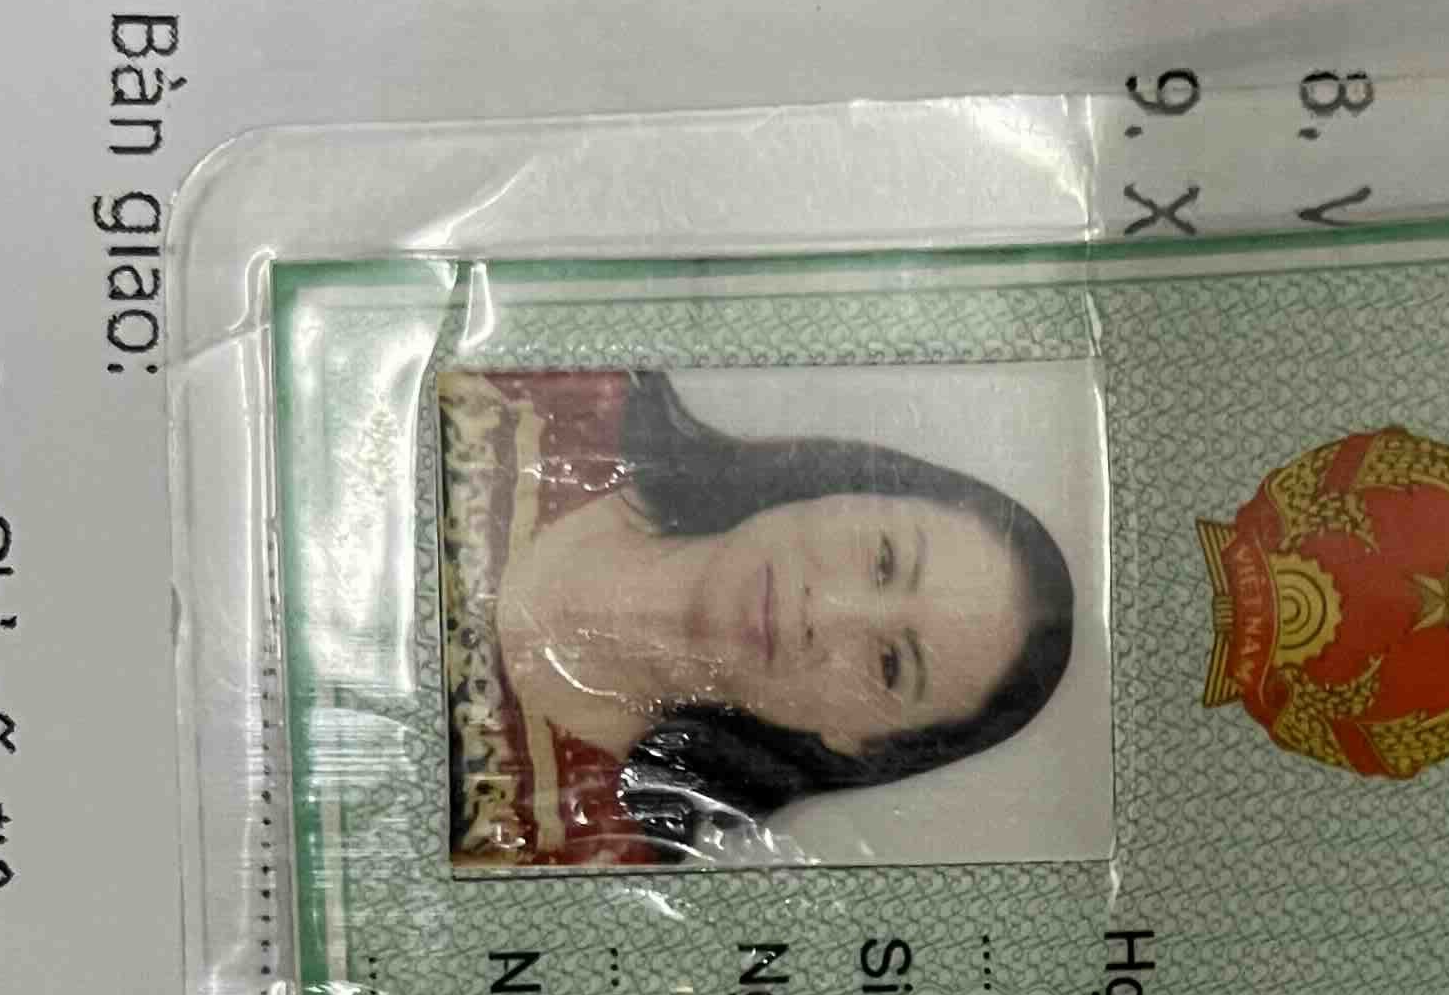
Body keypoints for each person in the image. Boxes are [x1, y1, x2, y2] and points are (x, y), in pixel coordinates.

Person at [438, 363, 1076, 865]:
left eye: (889, 664)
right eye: (883, 560)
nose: (825, 613)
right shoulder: (558, 390)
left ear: (856, 740)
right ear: (842, 486)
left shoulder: (597, 854)